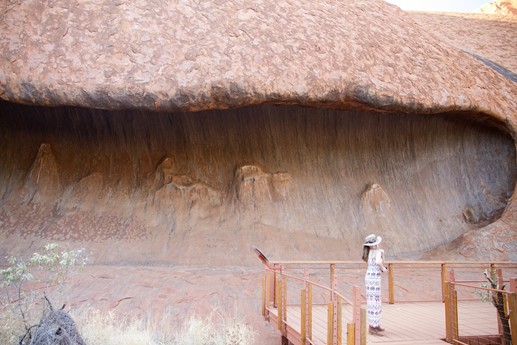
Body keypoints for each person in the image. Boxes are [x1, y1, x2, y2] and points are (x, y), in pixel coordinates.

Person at [362, 234, 388, 335]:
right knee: (376, 301)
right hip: (375, 278)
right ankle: (374, 326)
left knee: (372, 301)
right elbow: (379, 262)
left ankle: (374, 325)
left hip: (369, 277)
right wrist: (384, 269)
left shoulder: (368, 253)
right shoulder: (377, 252)